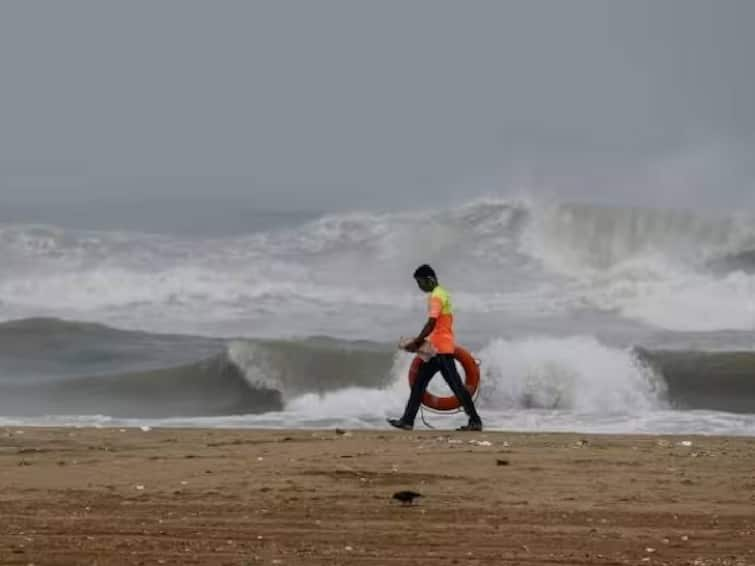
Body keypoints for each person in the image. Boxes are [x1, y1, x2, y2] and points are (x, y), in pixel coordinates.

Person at [388, 264, 483, 431]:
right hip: (436, 350)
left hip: (442, 351)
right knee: (419, 385)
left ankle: (475, 421)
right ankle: (407, 421)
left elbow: (431, 323)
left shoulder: (437, 297)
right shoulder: (443, 293)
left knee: (456, 387)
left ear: (429, 280)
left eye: (420, 282)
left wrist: (417, 341)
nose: (419, 286)